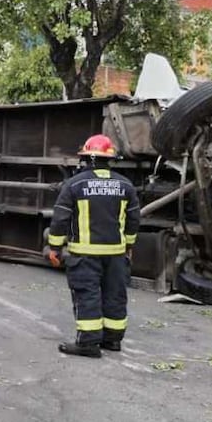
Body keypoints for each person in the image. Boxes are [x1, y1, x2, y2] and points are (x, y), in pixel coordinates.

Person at [46, 135, 141, 358]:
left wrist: (54, 247)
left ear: (87, 158)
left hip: (85, 255)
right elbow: (133, 220)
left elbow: (60, 219)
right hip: (116, 255)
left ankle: (88, 343)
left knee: (87, 295)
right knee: (115, 295)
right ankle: (112, 340)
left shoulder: (75, 184)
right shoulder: (125, 185)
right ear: (110, 159)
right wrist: (129, 245)